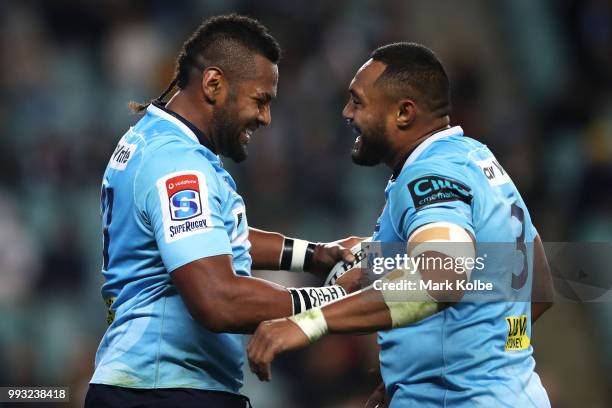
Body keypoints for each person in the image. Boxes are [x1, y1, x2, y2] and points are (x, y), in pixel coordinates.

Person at [247, 42, 554, 407]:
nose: (346, 112)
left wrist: (310, 322)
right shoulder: (477, 160)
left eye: (358, 102)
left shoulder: (427, 175)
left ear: (404, 113)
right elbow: (539, 284)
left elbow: (442, 276)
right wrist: (421, 370)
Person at [85, 14, 360, 408]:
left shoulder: (158, 141)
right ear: (214, 84)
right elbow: (217, 299)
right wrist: (329, 299)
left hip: (154, 385)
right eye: (260, 100)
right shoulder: (178, 164)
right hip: (163, 389)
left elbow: (209, 238)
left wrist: (313, 255)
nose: (265, 118)